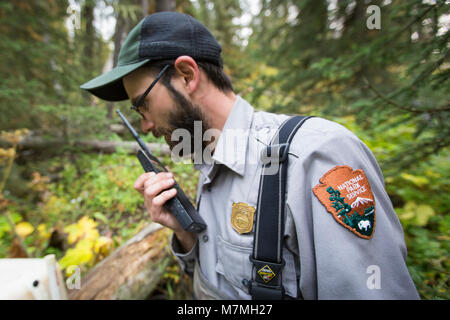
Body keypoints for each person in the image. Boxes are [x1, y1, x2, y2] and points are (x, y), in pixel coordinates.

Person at [80, 12, 419, 299]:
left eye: (142, 104)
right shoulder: (210, 161)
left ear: (186, 75)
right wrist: (184, 233)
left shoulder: (316, 157)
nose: (147, 124)